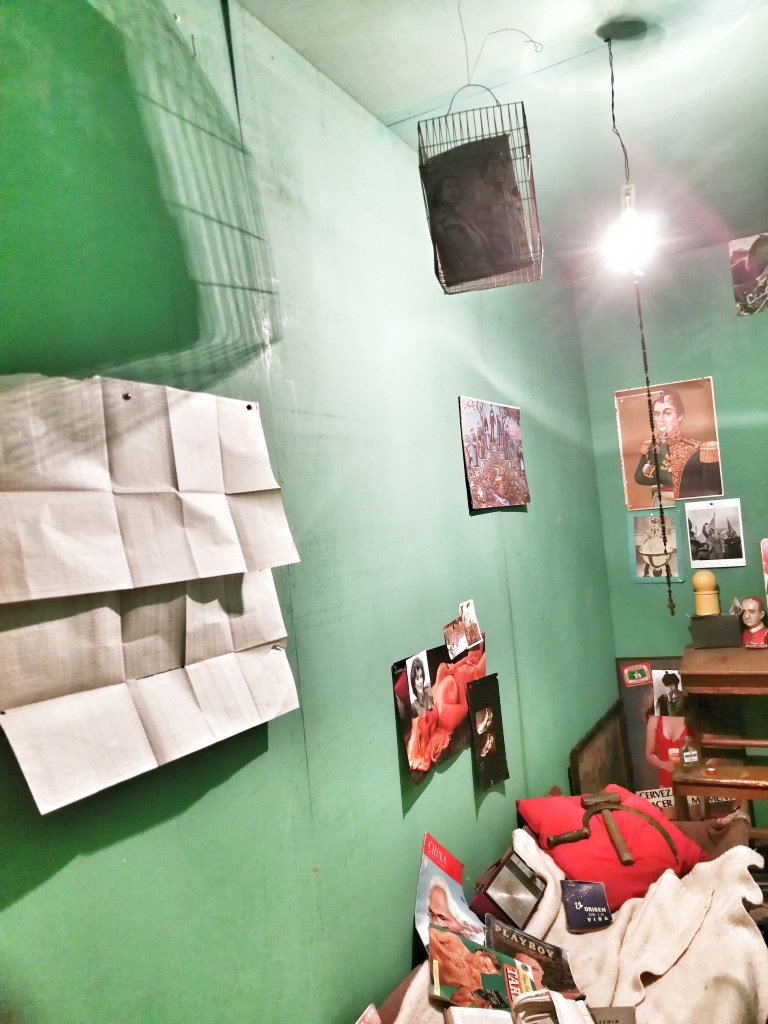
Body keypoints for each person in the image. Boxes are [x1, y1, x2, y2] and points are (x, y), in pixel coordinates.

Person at [633, 390, 721, 501]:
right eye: (657, 414)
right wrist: (668, 475)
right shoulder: (650, 446)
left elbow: (712, 489)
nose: (661, 420)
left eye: (667, 413)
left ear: (679, 416)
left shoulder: (697, 450)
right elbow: (639, 478)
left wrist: (653, 473)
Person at [430, 176, 493, 285]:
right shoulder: (438, 225)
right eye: (448, 187)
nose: (454, 190)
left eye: (455, 186)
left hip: (488, 274)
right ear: (438, 193)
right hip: (468, 280)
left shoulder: (465, 220)